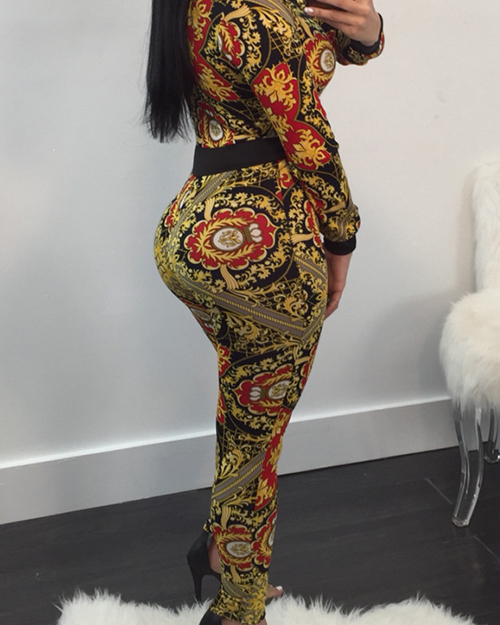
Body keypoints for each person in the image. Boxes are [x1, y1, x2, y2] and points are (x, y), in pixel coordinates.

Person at [144, 1, 384, 625]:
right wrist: (342, 239)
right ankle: (239, 607)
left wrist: (369, 33)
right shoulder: (246, 11)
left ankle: (222, 550)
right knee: (258, 434)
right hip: (259, 246)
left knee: (247, 411)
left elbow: (319, 46)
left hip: (198, 226)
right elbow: (310, 140)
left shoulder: (207, 7)